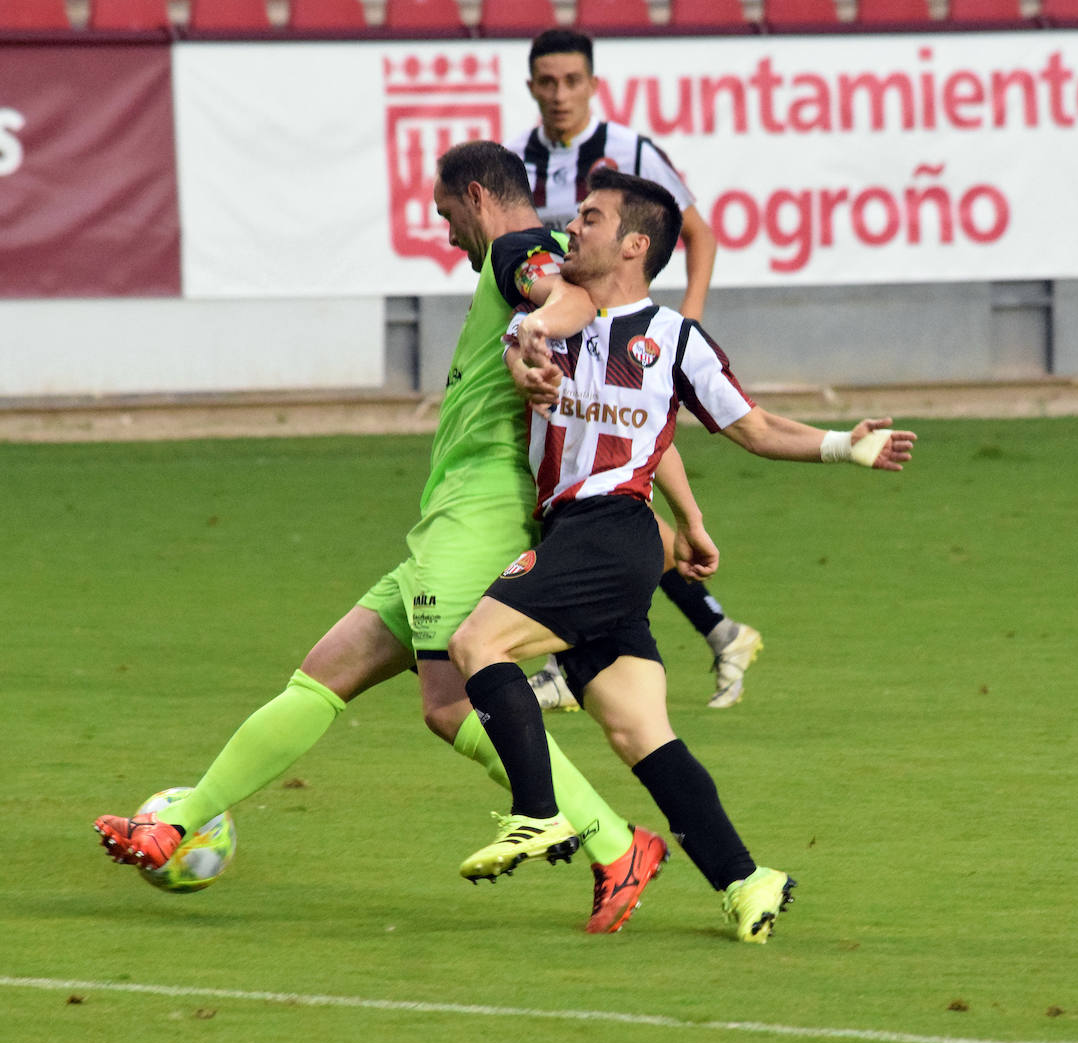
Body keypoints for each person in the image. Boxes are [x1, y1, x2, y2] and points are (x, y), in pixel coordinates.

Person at [94, 141, 668, 936]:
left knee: (448, 703)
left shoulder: (518, 251)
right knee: (322, 674)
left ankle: (615, 841)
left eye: (445, 216)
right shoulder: (515, 265)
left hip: (480, 516)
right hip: (447, 522)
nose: (446, 233)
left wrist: (534, 325)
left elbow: (560, 287)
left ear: (476, 196)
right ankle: (177, 820)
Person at [447, 168, 917, 942]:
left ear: (634, 244)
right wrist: (527, 357)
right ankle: (745, 880)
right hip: (584, 539)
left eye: (590, 219)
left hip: (610, 533)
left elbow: (754, 428)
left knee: (476, 642)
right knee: (640, 731)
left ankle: (537, 812)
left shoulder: (674, 341)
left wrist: (842, 445)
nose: (572, 230)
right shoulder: (552, 314)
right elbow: (549, 374)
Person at [507, 27, 761, 712]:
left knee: (606, 488)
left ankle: (564, 656)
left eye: (572, 81)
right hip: (557, 346)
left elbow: (698, 233)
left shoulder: (632, 153)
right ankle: (718, 628)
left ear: (593, 85)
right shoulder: (519, 162)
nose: (560, 95)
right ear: (531, 86)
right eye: (547, 82)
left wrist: (686, 325)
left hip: (625, 341)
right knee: (614, 493)